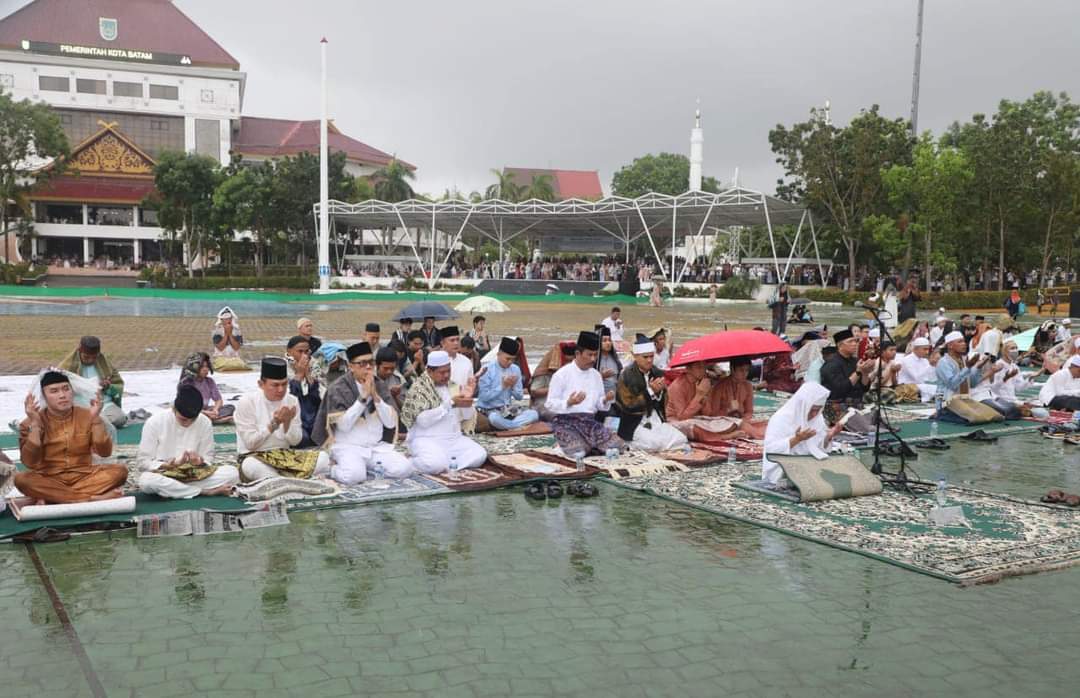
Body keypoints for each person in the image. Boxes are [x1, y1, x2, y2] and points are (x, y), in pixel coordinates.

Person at [15, 370, 127, 504]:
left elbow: (105, 452)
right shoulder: (29, 422)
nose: (62, 395)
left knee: (120, 471)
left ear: (72, 392)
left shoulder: (88, 414)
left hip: (84, 476)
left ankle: (54, 497)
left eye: (66, 389)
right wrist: (36, 424)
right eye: (54, 391)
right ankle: (92, 498)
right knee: (22, 480)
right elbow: (29, 462)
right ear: (44, 396)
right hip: (48, 478)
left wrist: (95, 419)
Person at [321, 343, 413, 484]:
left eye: (371, 362)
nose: (369, 367)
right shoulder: (338, 388)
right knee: (354, 477)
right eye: (362, 363)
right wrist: (363, 398)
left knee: (404, 468)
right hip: (349, 447)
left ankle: (366, 467)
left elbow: (390, 423)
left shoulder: (379, 385)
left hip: (375, 448)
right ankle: (332, 468)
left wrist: (375, 397)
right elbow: (343, 426)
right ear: (351, 366)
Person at [234, 358, 330, 481]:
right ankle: (286, 479)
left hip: (285, 458)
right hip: (255, 456)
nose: (280, 390)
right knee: (250, 466)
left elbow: (295, 442)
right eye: (275, 385)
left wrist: (287, 423)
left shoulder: (291, 401)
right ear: (261, 384)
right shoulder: (247, 403)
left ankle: (280, 480)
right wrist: (274, 425)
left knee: (324, 458)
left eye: (284, 384)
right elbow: (251, 444)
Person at [137, 386, 240, 499]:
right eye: (183, 419)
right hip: (165, 475)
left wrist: (199, 462)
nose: (188, 423)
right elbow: (143, 463)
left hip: (194, 476)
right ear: (174, 409)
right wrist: (168, 465)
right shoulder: (154, 422)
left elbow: (208, 458)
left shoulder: (204, 422)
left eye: (193, 419)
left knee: (232, 473)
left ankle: (178, 490)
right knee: (146, 481)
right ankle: (204, 492)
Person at [399, 350, 487, 474]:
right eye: (442, 372)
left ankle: (447, 466)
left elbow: (466, 416)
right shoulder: (419, 389)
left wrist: (467, 400)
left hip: (453, 439)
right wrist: (450, 403)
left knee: (480, 455)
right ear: (430, 371)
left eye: (448, 371)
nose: (446, 375)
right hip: (426, 440)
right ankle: (412, 462)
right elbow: (423, 421)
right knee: (434, 465)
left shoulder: (452, 386)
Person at [546, 331, 623, 456]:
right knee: (579, 452)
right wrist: (569, 402)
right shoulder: (561, 375)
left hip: (589, 423)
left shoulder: (596, 375)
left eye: (595, 355)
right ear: (578, 353)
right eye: (589, 355)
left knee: (618, 445)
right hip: (566, 423)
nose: (593, 359)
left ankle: (591, 446)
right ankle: (564, 445)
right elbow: (550, 404)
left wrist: (605, 400)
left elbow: (598, 405)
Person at [613, 335, 687, 451]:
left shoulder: (657, 372)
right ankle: (630, 444)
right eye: (645, 357)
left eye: (651, 356)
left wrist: (660, 392)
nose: (649, 360)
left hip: (655, 419)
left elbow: (664, 403)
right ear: (635, 356)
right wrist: (651, 391)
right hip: (635, 422)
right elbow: (628, 406)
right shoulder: (626, 375)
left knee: (681, 439)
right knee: (654, 443)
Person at [761, 383, 842, 484]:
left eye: (818, 410)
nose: (814, 414)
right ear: (803, 405)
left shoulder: (817, 418)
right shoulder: (781, 418)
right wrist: (796, 440)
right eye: (812, 410)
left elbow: (819, 448)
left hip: (809, 467)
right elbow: (771, 450)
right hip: (783, 471)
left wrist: (828, 437)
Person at [58, 335, 127, 428]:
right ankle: (92, 422)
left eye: (94, 357)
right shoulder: (67, 366)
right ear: (79, 351)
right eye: (86, 357)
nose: (90, 360)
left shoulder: (104, 364)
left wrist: (108, 387)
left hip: (103, 404)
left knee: (119, 418)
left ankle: (88, 423)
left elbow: (117, 383)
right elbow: (59, 388)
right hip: (78, 405)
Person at [476, 337, 540, 432]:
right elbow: (484, 397)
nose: (510, 362)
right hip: (489, 410)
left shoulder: (515, 369)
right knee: (494, 419)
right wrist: (502, 386)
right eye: (507, 359)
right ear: (498, 354)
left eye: (513, 359)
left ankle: (510, 426)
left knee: (534, 414)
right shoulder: (487, 369)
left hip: (507, 410)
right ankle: (516, 426)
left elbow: (519, 397)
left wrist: (513, 386)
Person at [936, 330, 998, 405]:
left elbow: (972, 383)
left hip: (965, 400)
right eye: (960, 342)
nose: (964, 344)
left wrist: (978, 367)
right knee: (981, 413)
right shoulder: (944, 362)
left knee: (992, 412)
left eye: (964, 341)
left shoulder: (964, 359)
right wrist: (968, 367)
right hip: (947, 402)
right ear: (950, 346)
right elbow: (952, 385)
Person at [711, 358, 768, 438]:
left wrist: (744, 419)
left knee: (768, 424)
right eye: (741, 370)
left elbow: (749, 411)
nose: (745, 374)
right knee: (749, 429)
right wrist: (728, 411)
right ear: (732, 369)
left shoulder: (748, 385)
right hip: (723, 422)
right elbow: (713, 414)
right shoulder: (719, 387)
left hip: (741, 421)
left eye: (747, 370)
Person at [285, 336, 322, 447]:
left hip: (310, 413)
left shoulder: (313, 364)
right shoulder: (282, 366)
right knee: (302, 438)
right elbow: (290, 397)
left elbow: (318, 396)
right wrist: (299, 374)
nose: (304, 355)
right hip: (292, 414)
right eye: (300, 351)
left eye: (306, 351)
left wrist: (307, 374)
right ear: (289, 351)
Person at [439, 326, 478, 428]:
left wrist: (470, 389)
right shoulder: (436, 361)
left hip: (464, 410)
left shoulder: (466, 361)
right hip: (443, 411)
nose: (456, 343)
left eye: (457, 340)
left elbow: (470, 385)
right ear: (443, 343)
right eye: (452, 340)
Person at [178, 352, 234, 423]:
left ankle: (212, 419)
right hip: (192, 411)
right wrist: (206, 413)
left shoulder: (209, 381)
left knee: (230, 407)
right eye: (202, 367)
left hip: (206, 410)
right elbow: (187, 407)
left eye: (207, 366)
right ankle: (216, 420)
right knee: (186, 413)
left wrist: (215, 410)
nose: (205, 369)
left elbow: (218, 400)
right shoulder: (186, 383)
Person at [820, 329, 869, 407]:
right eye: (850, 341)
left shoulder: (855, 361)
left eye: (855, 341)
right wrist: (857, 372)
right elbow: (840, 390)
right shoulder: (831, 364)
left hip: (858, 402)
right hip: (838, 405)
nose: (854, 344)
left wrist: (865, 372)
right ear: (840, 346)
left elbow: (865, 388)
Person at [530, 342, 576, 422]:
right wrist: (553, 388)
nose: (568, 363)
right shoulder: (544, 371)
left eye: (571, 361)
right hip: (543, 404)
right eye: (566, 360)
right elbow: (534, 391)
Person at [211, 306, 247, 371]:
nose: (227, 320)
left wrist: (230, 334)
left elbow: (236, 347)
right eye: (225, 319)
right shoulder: (217, 332)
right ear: (221, 320)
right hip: (220, 358)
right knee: (223, 365)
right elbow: (220, 347)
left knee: (240, 365)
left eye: (229, 318)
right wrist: (226, 334)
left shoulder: (237, 331)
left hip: (234, 358)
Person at [373, 346, 406, 414]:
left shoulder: (398, 379)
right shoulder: (369, 378)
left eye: (392, 368)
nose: (389, 372)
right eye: (385, 368)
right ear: (377, 365)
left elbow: (405, 408)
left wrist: (395, 397)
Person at [594, 326, 623, 398]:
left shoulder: (615, 360)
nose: (608, 343)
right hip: (599, 398)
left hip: (615, 397)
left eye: (609, 340)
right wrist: (601, 376)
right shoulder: (593, 360)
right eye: (604, 340)